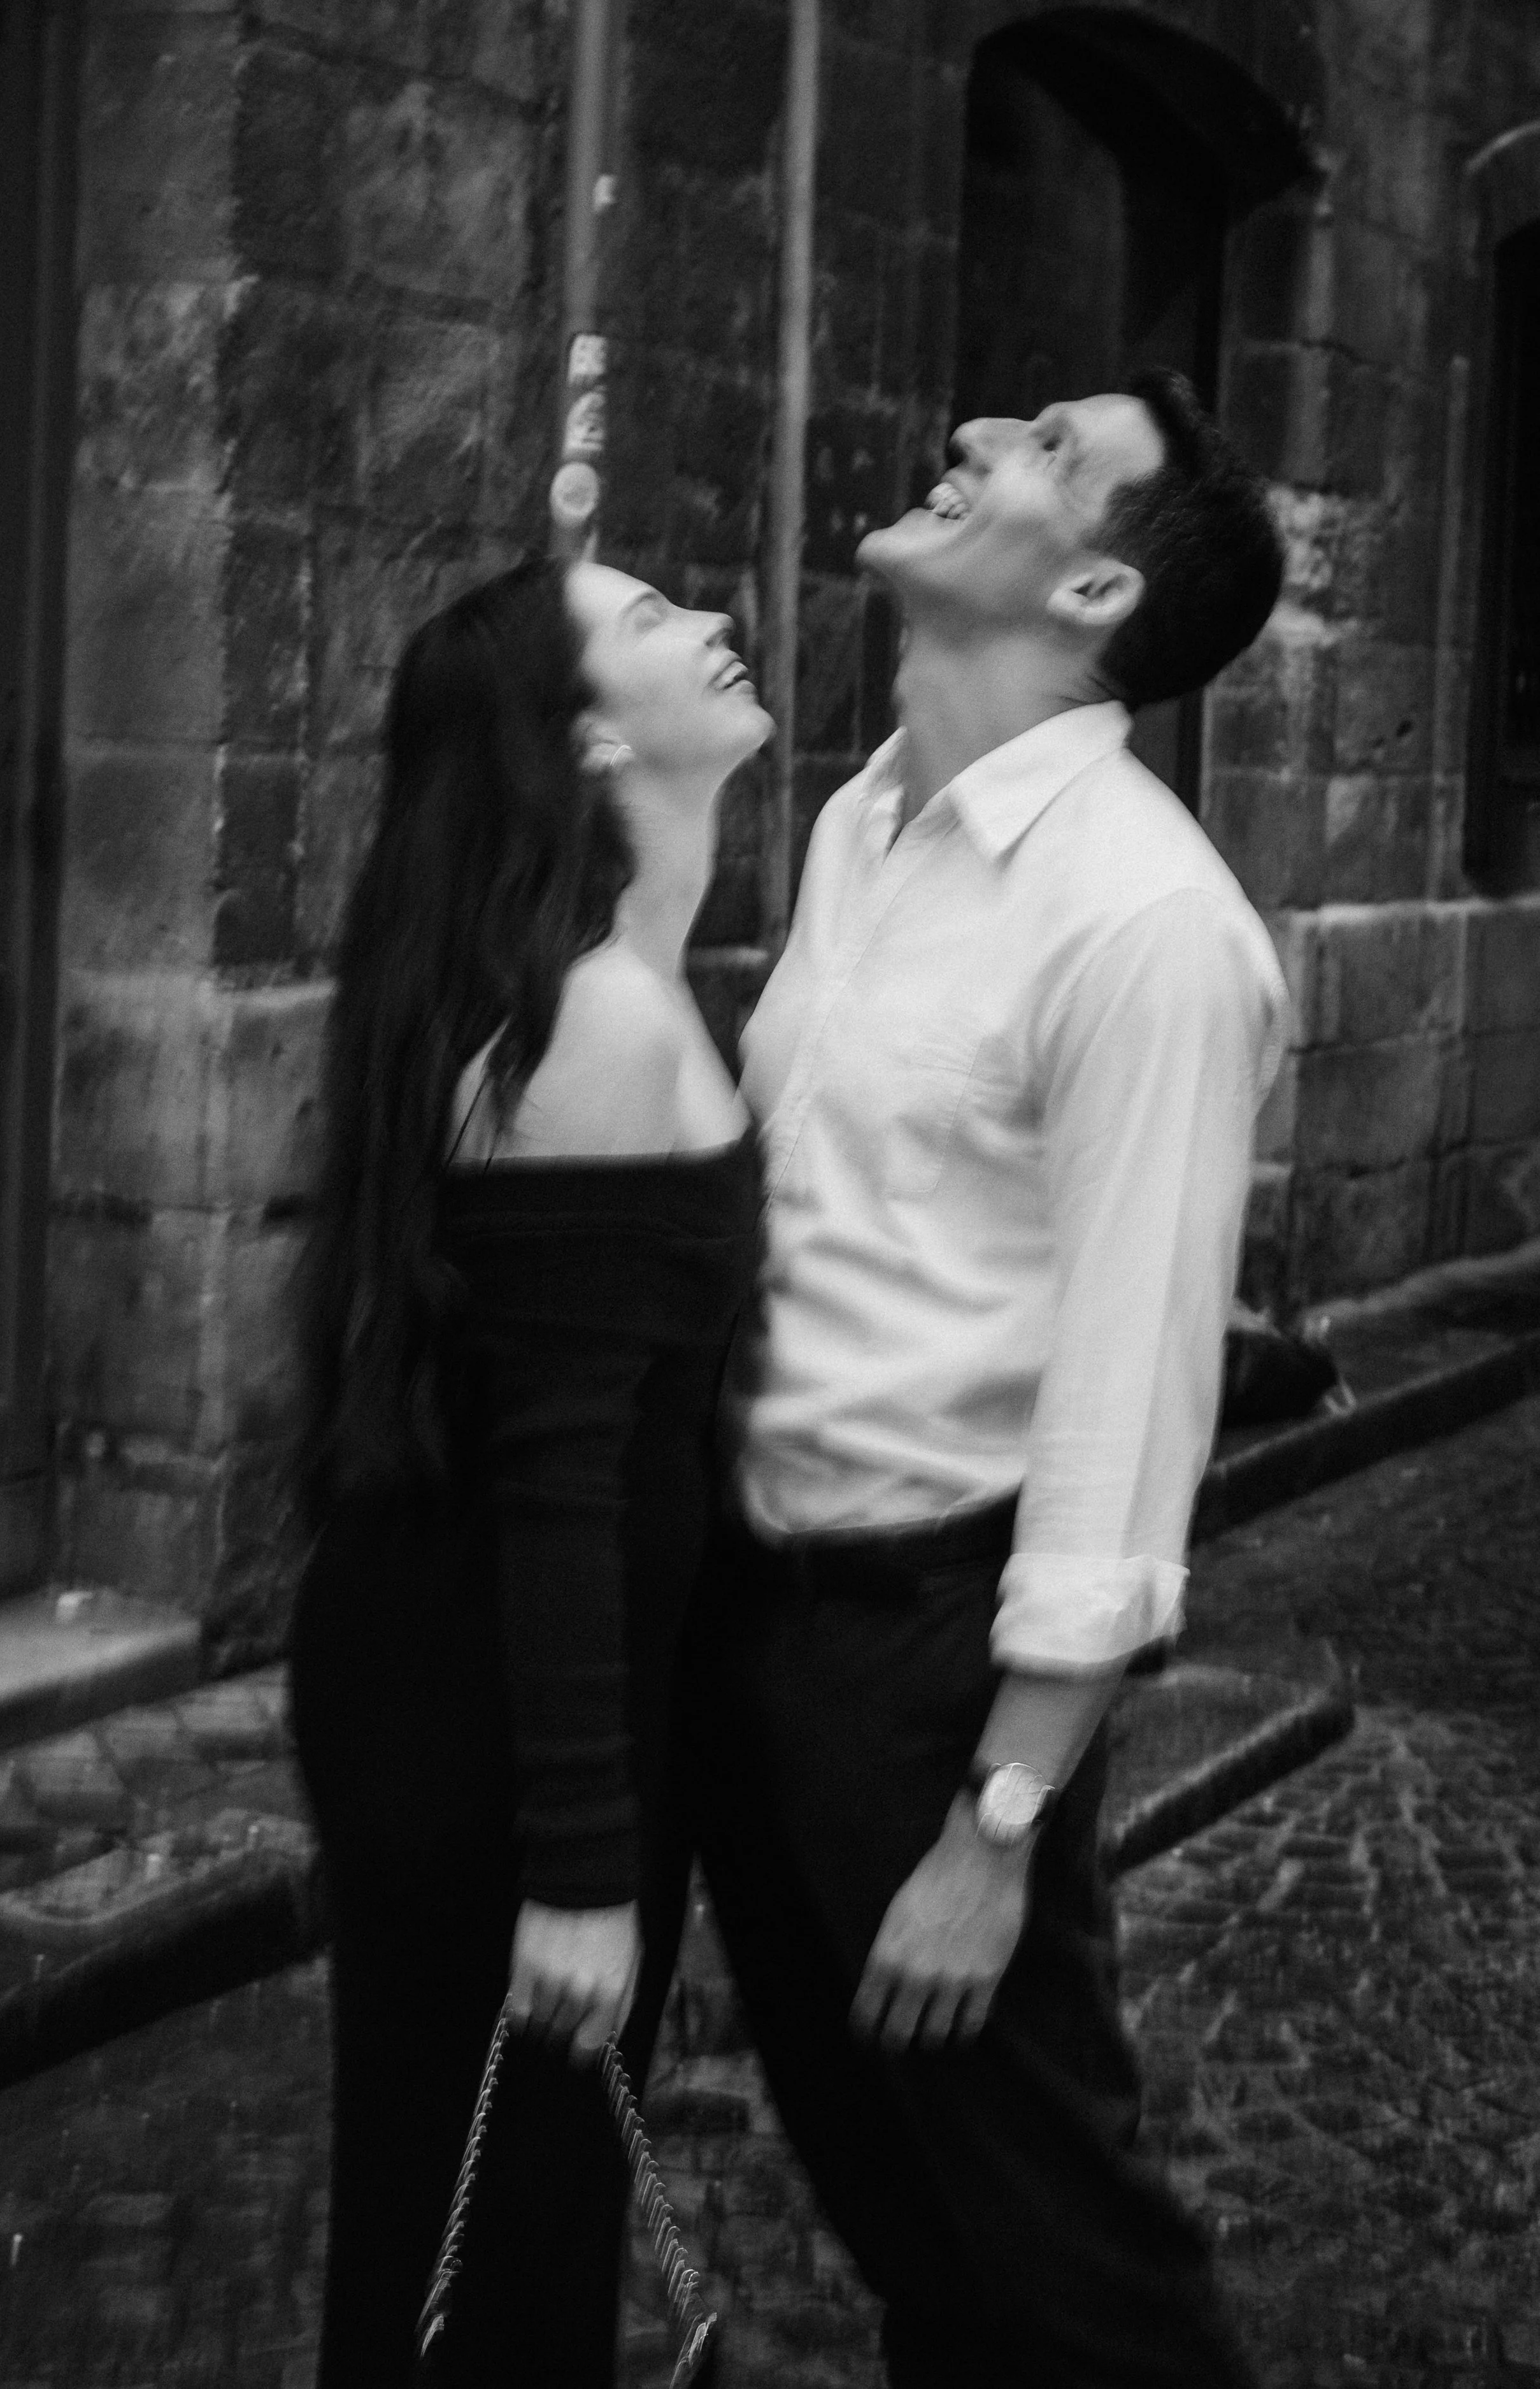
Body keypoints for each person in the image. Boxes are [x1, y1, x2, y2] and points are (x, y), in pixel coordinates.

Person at [688, 368, 1290, 2386]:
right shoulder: (867, 822)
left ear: (1101, 580)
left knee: (1063, 2262)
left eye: (1038, 451)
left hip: (934, 1661)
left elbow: (1128, 1410)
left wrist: (999, 1821)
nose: (971, 442)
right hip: (764, 1632)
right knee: (903, 2221)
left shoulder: (1146, 922)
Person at [289, 554, 769, 2387]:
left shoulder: (613, 991)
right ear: (582, 732)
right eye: (650, 619)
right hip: (496, 1715)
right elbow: (560, 1483)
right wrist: (580, 1867)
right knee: (483, 2255)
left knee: (498, 2234)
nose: (708, 620)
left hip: (513, 1689)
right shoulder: (593, 1025)